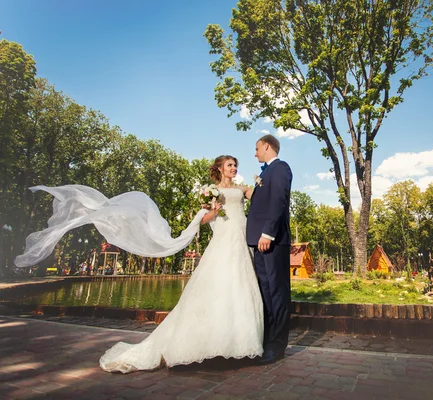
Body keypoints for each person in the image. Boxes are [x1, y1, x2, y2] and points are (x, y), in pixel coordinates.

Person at [98, 155, 264, 373]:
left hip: (241, 237)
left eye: (235, 165)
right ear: (220, 169)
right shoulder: (212, 191)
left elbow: (262, 199)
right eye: (230, 165)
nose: (234, 168)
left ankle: (237, 343)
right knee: (219, 283)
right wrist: (213, 209)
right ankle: (206, 344)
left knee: (241, 285)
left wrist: (262, 183)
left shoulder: (243, 189)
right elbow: (203, 219)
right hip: (224, 237)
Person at [246, 134, 293, 364]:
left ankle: (277, 346)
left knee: (277, 292)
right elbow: (262, 200)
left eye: (256, 148)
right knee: (265, 293)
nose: (255, 153)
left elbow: (279, 200)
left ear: (266, 146)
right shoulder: (264, 174)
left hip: (272, 240)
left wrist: (268, 232)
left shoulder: (281, 168)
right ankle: (266, 341)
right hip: (257, 241)